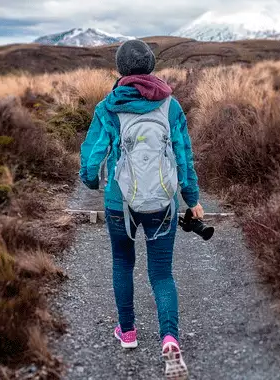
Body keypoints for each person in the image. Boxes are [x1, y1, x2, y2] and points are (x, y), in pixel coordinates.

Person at [80, 39, 202, 380]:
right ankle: (169, 339)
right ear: (150, 66)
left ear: (121, 69)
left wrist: (91, 182)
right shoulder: (171, 105)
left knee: (122, 262)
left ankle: (128, 333)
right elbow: (183, 157)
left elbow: (93, 155)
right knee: (162, 273)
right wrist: (192, 199)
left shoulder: (108, 106)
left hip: (120, 201)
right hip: (163, 202)